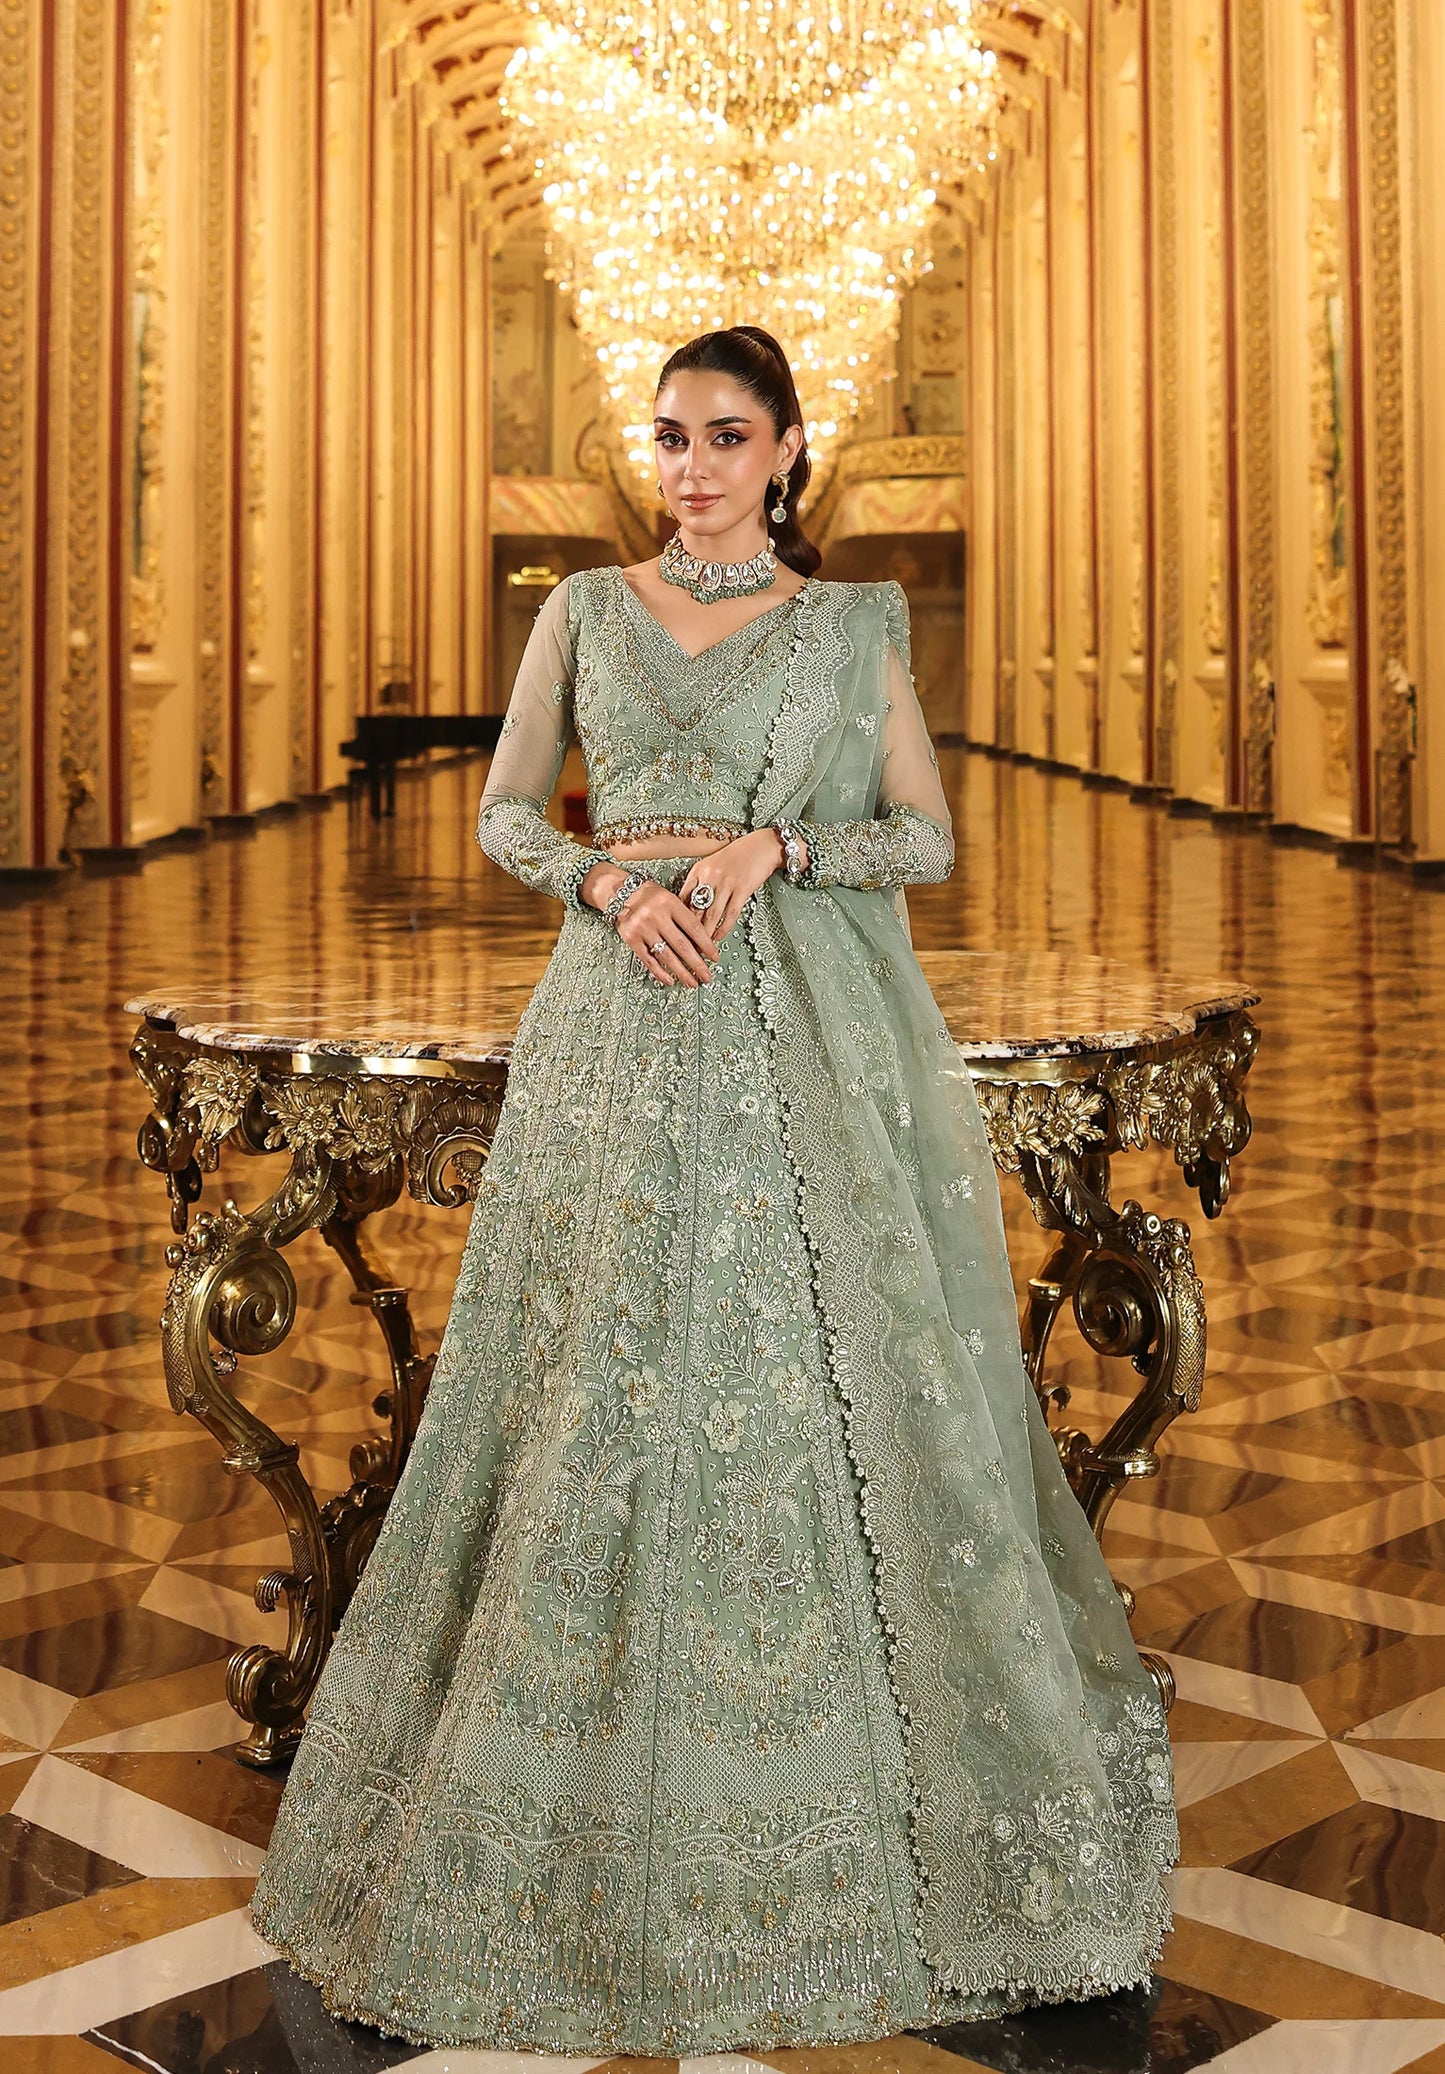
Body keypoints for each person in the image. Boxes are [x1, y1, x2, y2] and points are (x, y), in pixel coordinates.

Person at [249, 324, 1179, 2057]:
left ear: (787, 451)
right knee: (587, 1365)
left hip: (793, 1028)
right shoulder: (582, 610)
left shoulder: (849, 627)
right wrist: (608, 885)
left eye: (726, 436)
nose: (690, 466)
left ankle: (836, 1793)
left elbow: (925, 834)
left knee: (790, 1367)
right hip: (613, 1016)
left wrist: (778, 847)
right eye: (670, 435)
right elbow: (504, 812)